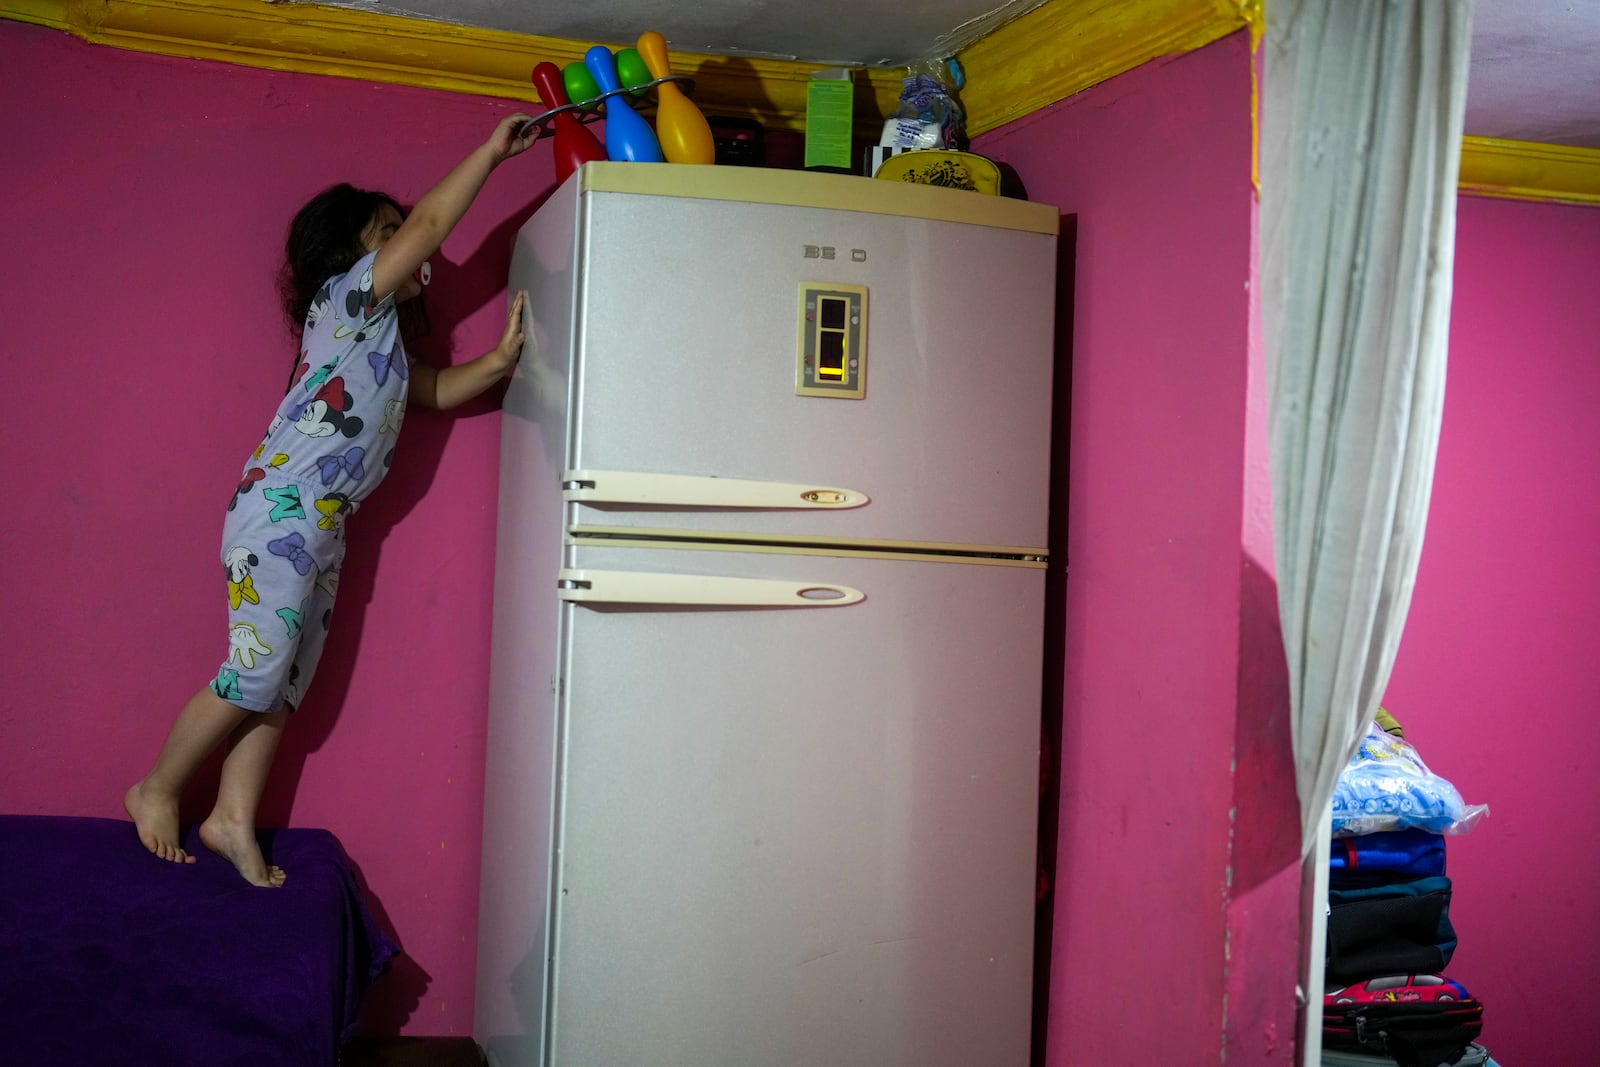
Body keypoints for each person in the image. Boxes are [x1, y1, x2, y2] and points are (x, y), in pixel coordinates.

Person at [124, 112, 537, 886]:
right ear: (356, 251)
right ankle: (157, 786)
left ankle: (231, 819)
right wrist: (488, 151)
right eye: (392, 231)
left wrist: (504, 357)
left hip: (323, 524)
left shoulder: (380, 347)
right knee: (252, 671)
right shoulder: (346, 302)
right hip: (279, 507)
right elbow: (435, 219)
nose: (420, 245)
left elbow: (440, 389)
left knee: (281, 681)